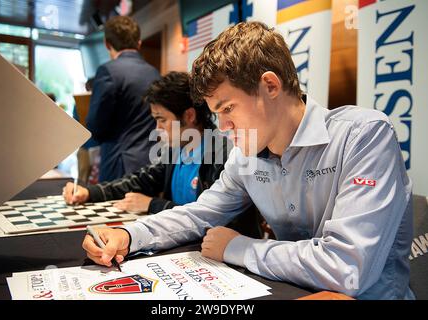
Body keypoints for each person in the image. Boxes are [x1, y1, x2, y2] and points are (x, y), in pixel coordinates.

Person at [81, 22, 413, 299]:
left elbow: (346, 268)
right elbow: (201, 212)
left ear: (270, 85)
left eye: (227, 109)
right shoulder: (247, 153)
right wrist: (129, 235)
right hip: (293, 290)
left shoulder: (364, 135)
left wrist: (239, 248)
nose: (223, 129)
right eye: (216, 113)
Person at [64, 72, 232, 215]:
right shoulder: (174, 151)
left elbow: (211, 217)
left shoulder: (222, 155)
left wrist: (153, 205)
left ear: (189, 116)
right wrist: (90, 192)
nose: (157, 128)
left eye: (162, 120)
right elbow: (141, 180)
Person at [86, 15, 160, 182]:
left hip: (119, 164)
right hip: (153, 163)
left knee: (112, 208)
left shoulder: (108, 72)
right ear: (138, 43)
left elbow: (95, 125)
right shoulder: (155, 73)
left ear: (107, 44)